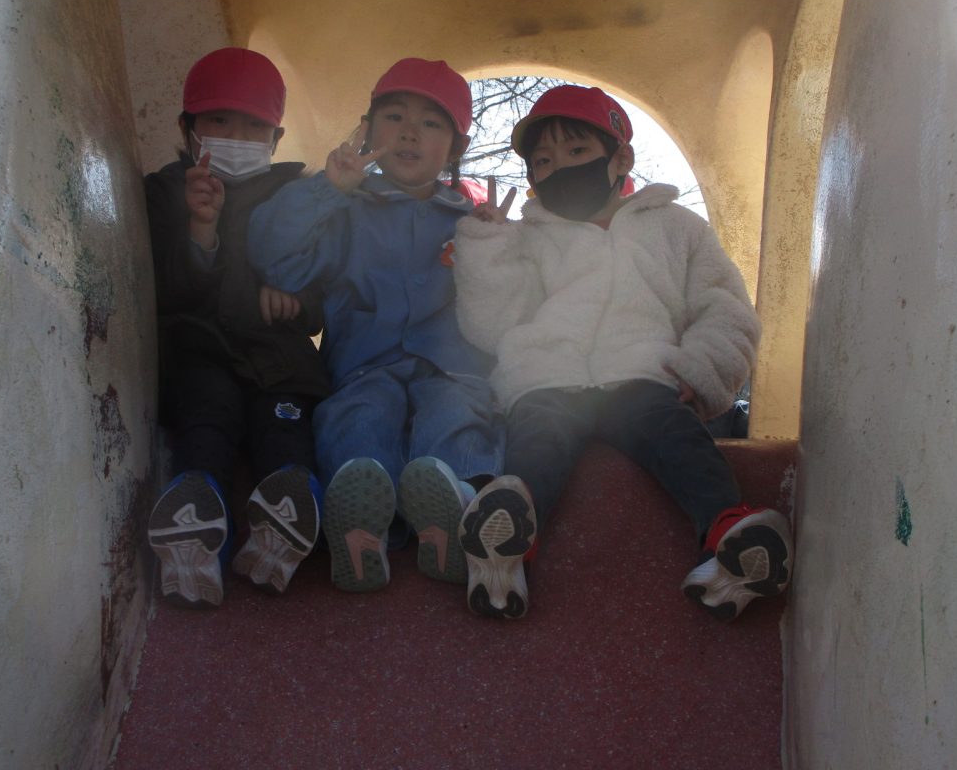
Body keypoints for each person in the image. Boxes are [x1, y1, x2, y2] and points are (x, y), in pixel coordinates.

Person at [452, 84, 792, 621]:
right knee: (538, 441)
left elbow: (724, 306)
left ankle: (727, 530)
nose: (560, 167)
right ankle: (508, 538)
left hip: (641, 374)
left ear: (621, 159)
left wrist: (702, 368)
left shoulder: (676, 227)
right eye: (543, 161)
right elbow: (494, 324)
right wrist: (487, 247)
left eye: (577, 151)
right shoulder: (529, 238)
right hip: (548, 376)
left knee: (678, 437)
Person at [248, 58, 502, 594]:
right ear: (367, 129)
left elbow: (504, 300)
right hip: (363, 365)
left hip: (450, 366)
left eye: (430, 123)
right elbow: (277, 259)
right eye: (394, 117)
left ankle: (458, 507)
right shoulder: (343, 208)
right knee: (357, 417)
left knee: (456, 412)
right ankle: (364, 522)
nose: (409, 132)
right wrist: (328, 188)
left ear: (455, 148)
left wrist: (497, 245)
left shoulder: (469, 221)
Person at [145, 47, 329, 607]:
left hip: (279, 358)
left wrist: (296, 299)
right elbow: (164, 291)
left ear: (276, 139)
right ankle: (199, 522)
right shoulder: (165, 192)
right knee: (207, 420)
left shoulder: (298, 196)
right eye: (219, 121)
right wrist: (200, 231)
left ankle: (291, 508)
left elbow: (325, 288)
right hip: (200, 352)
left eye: (253, 127)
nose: (235, 136)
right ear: (187, 128)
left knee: (284, 423)